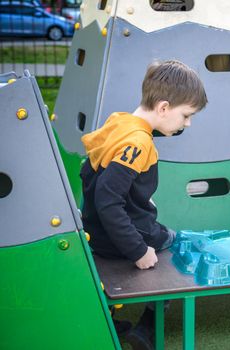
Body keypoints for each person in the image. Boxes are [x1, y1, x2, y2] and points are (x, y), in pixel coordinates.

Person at [80, 60, 207, 348]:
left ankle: (107, 319)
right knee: (174, 247)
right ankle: (147, 328)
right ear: (163, 108)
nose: (187, 124)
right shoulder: (138, 143)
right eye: (186, 115)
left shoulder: (119, 123)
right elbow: (108, 201)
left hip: (96, 233)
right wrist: (138, 250)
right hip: (124, 238)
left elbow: (96, 179)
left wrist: (138, 195)